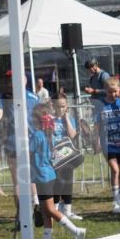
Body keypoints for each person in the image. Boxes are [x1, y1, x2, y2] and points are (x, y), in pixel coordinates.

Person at [29, 102, 86, 239]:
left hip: (43, 176)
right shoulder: (49, 134)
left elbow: (28, 154)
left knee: (50, 210)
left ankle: (76, 231)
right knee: (45, 209)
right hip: (49, 174)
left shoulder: (36, 135)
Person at [92, 77, 120, 213]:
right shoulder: (101, 105)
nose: (113, 94)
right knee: (115, 170)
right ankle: (115, 203)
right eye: (110, 92)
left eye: (115, 91)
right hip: (108, 143)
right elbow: (97, 125)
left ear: (119, 90)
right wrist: (97, 141)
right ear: (105, 91)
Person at [49, 90, 82, 221]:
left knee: (68, 180)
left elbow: (72, 135)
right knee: (57, 182)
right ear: (53, 106)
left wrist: (67, 118)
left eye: (63, 106)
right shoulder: (49, 119)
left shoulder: (69, 119)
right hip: (54, 155)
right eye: (58, 106)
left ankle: (67, 210)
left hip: (67, 154)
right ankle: (55, 209)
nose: (61, 109)